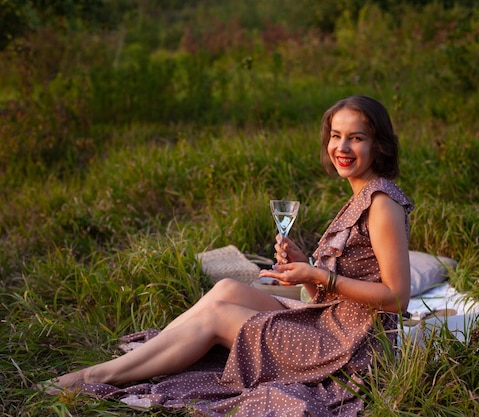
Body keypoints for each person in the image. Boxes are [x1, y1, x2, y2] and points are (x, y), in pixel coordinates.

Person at [38, 95, 414, 416]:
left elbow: (396, 298)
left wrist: (317, 276)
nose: (342, 148)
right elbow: (336, 290)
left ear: (378, 145)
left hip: (351, 349)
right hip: (331, 321)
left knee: (218, 316)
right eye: (336, 136)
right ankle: (151, 357)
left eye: (356, 138)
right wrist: (307, 267)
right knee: (228, 289)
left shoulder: (381, 203)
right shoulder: (362, 194)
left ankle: (95, 377)